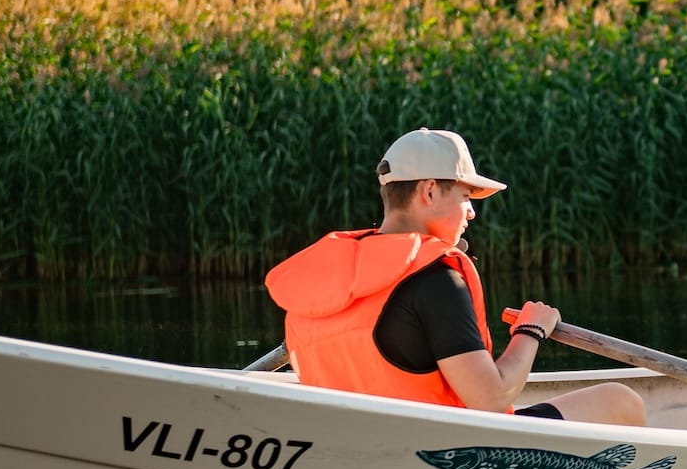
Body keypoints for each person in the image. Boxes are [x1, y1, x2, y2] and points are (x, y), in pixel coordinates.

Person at [265, 128, 644, 424]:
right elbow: (492, 402)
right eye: (465, 197)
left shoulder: (329, 276)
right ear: (429, 191)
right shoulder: (437, 279)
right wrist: (531, 331)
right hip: (449, 456)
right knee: (620, 401)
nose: (472, 213)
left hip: (352, 447)